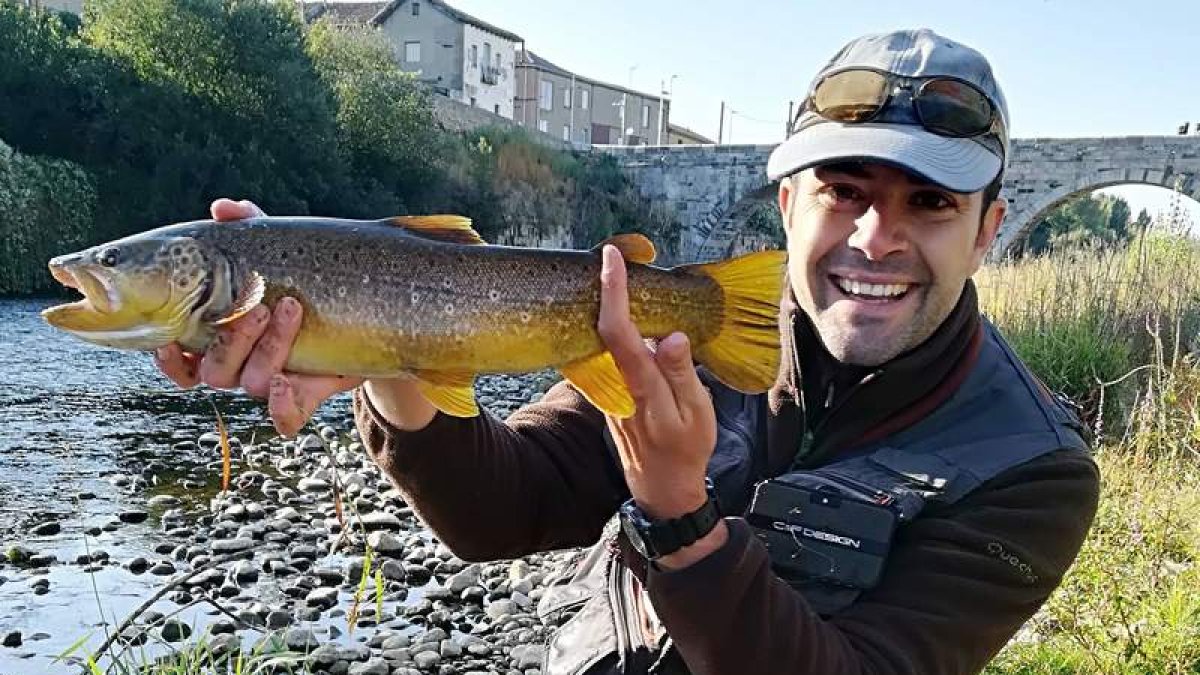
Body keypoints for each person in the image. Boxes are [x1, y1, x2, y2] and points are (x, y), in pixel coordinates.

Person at [155, 28, 1100, 675]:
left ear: (987, 231)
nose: (876, 238)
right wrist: (389, 346)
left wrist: (679, 515)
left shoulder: (1031, 469)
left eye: (929, 204)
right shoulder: (688, 328)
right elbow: (502, 508)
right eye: (844, 190)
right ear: (787, 207)